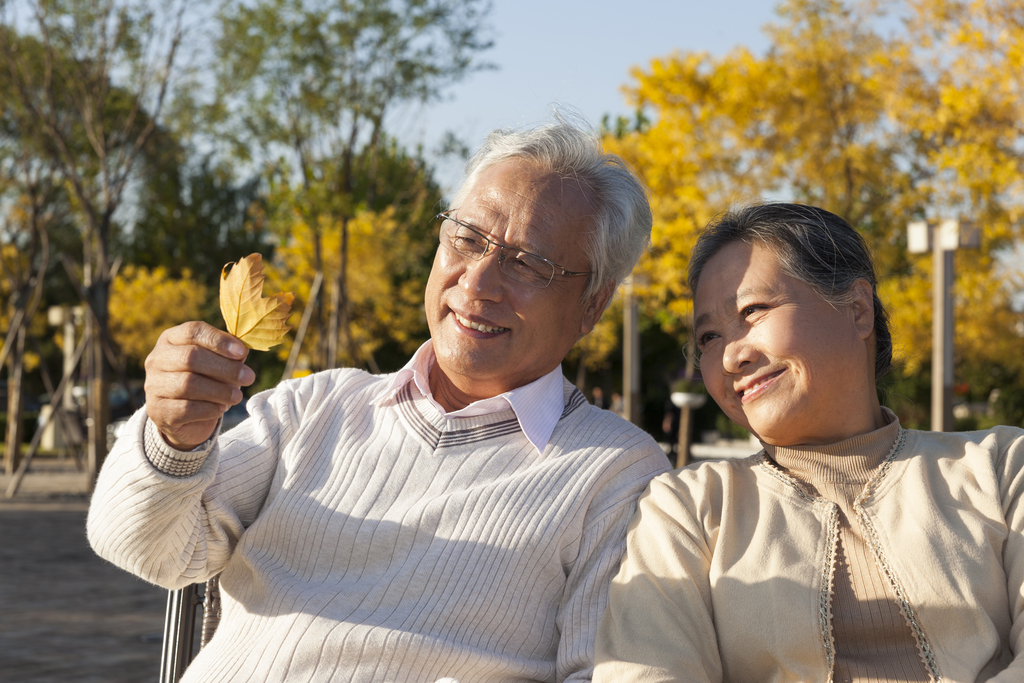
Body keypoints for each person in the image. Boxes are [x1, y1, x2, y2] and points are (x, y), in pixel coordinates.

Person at [87, 119, 671, 682]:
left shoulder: (617, 476)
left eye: (528, 263)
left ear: (593, 304)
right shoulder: (314, 408)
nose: (477, 283)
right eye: (467, 239)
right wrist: (174, 438)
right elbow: (143, 547)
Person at [594, 203, 1024, 682]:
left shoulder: (1002, 469)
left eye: (752, 311)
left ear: (858, 310)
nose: (731, 356)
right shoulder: (689, 509)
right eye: (709, 337)